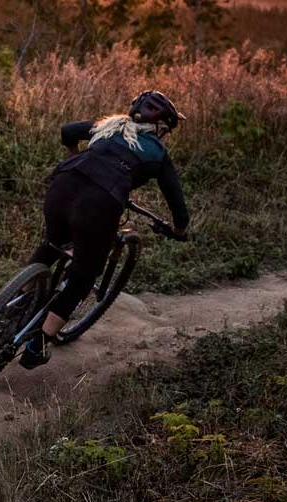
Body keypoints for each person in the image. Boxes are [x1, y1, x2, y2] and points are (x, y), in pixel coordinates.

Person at [20, 91, 190, 368]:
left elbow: (67, 130)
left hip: (62, 186)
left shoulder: (109, 126)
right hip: (98, 205)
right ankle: (38, 343)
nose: (166, 136)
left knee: (52, 244)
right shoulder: (157, 153)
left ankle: (16, 302)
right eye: (167, 131)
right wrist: (179, 231)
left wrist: (74, 154)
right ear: (159, 128)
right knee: (84, 276)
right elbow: (177, 203)